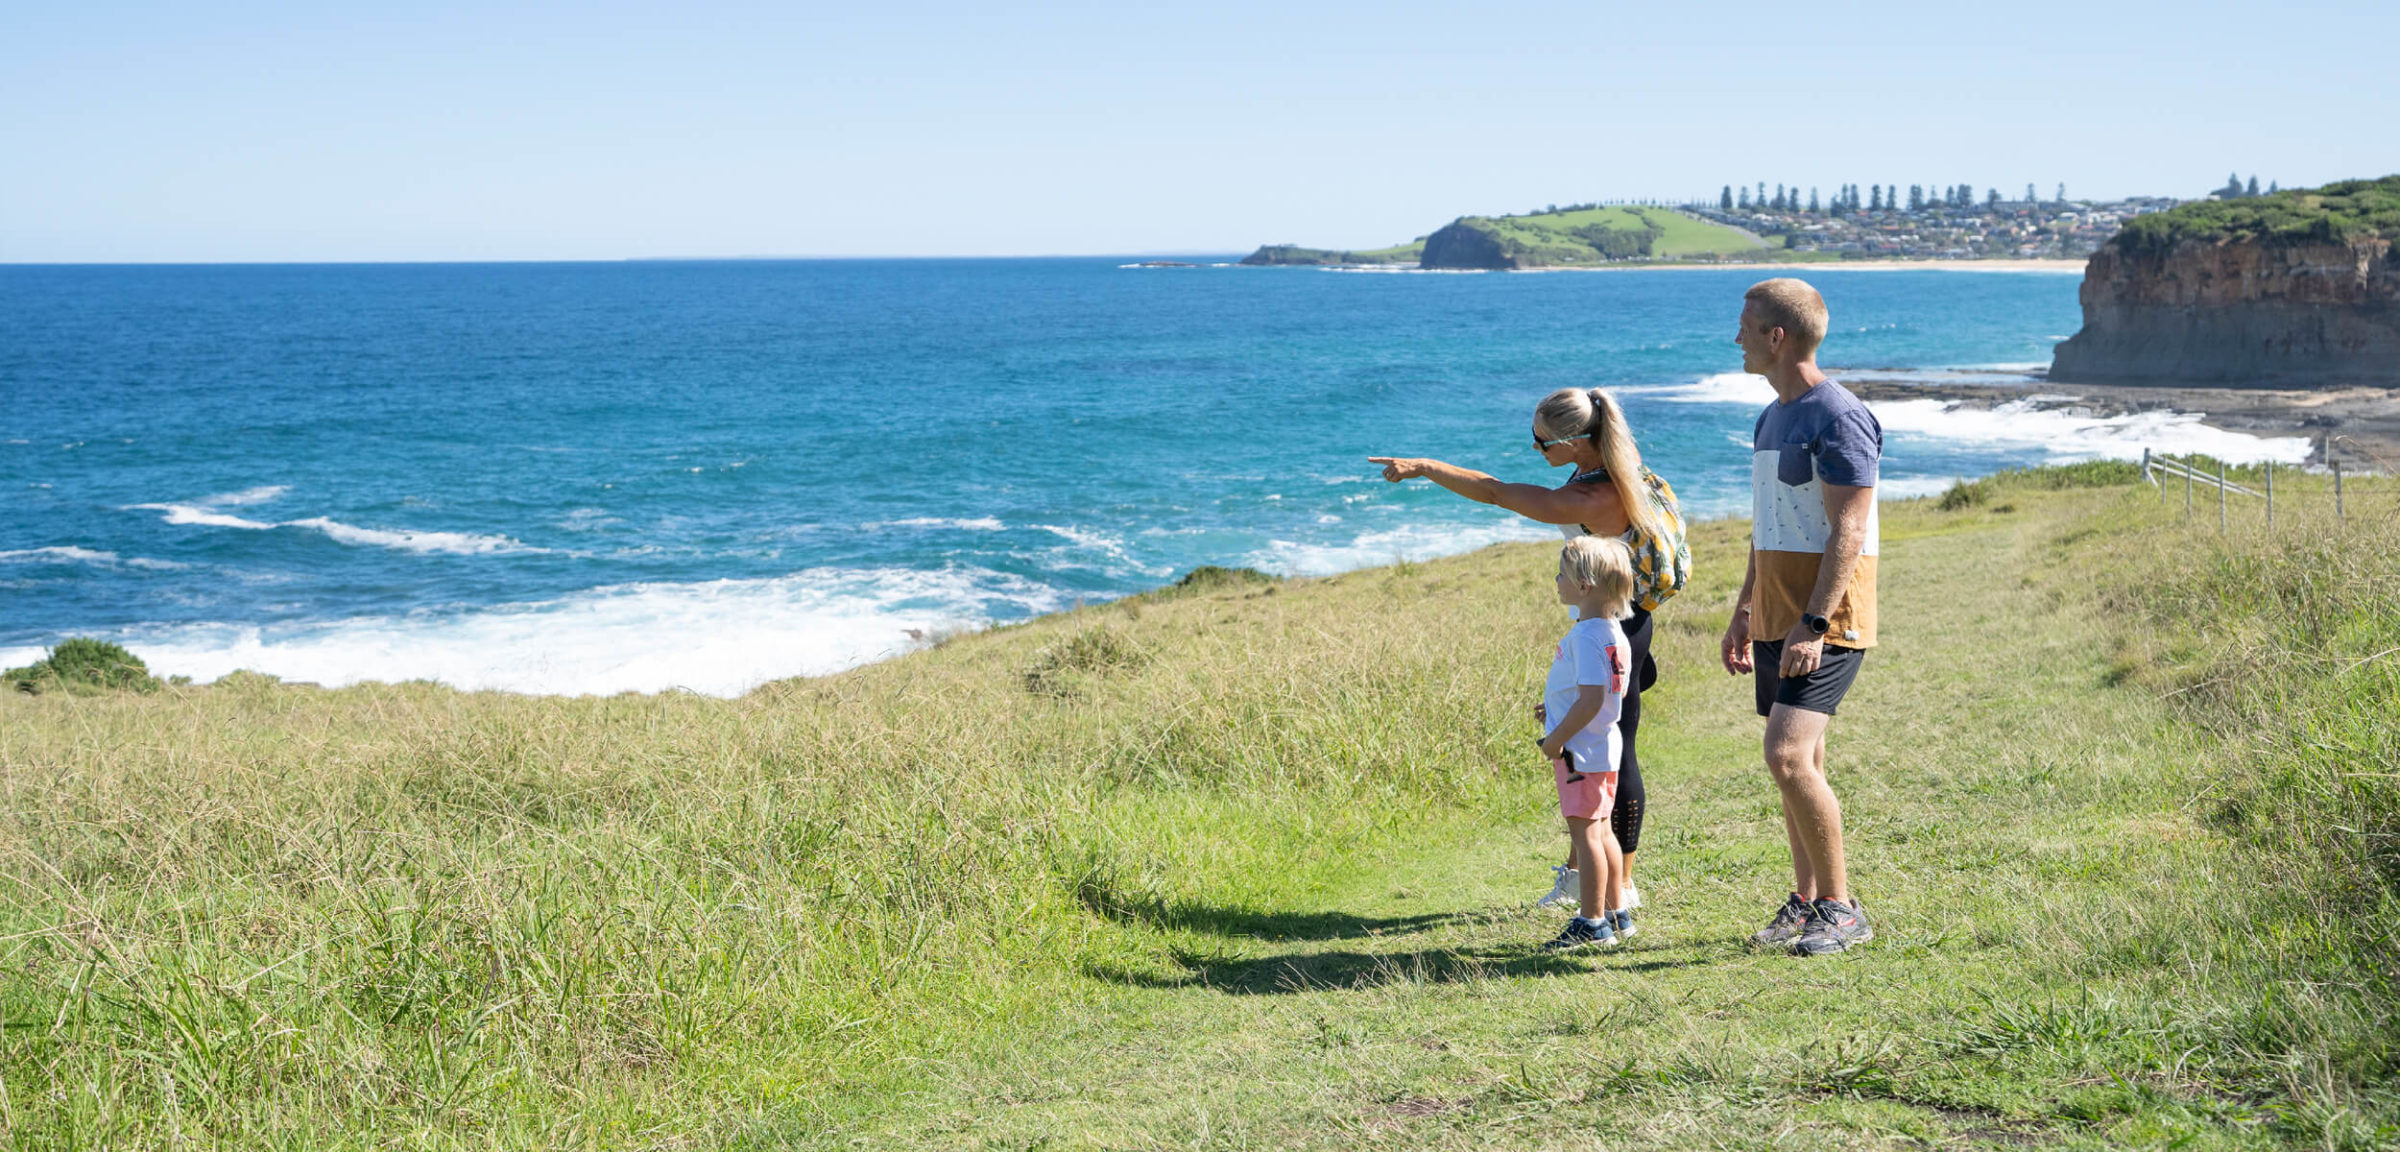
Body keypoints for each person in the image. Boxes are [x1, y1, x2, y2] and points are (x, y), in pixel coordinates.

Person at [1370, 388, 1687, 910]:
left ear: (1575, 442)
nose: (1535, 450)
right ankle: (1584, 871)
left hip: (1617, 628)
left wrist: (1425, 466)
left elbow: (1497, 493)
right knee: (1598, 750)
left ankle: (1620, 885)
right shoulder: (1615, 467)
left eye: (1541, 442)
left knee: (1612, 753)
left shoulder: (1590, 497)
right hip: (1618, 621)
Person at [1718, 278, 1879, 957]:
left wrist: (1813, 624)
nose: (1737, 338)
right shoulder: (1771, 416)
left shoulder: (1837, 417)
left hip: (1825, 621)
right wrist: (1744, 610)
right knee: (1802, 759)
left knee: (1786, 757)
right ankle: (1809, 901)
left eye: (1745, 327)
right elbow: (1769, 523)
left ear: (1775, 337)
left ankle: (1843, 910)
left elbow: (1849, 529)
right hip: (1776, 616)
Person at [1538, 536, 1636, 951]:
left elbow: (1592, 698)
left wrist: (1554, 739)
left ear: (1584, 586)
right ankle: (1617, 913)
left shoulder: (1585, 636)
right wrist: (1555, 710)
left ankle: (1592, 922)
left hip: (1580, 753)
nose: (1556, 579)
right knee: (1602, 832)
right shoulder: (1612, 631)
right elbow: (1598, 694)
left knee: (1586, 836)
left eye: (1562, 573)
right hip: (1602, 746)